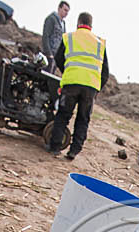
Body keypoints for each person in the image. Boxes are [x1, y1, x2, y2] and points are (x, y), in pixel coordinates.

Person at [47, 12, 109, 160]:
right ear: (91, 25)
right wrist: (96, 87)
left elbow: (58, 58)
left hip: (71, 83)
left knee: (63, 115)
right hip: (90, 87)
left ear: (78, 23)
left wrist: (69, 71)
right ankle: (74, 151)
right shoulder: (100, 43)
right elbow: (105, 72)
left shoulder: (69, 37)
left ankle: (55, 147)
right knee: (83, 119)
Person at [42, 2, 70, 73]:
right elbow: (46, 36)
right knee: (46, 75)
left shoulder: (63, 23)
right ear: (59, 8)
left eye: (67, 11)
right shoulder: (51, 19)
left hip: (56, 57)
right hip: (49, 55)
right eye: (65, 10)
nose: (66, 13)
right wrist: (49, 54)